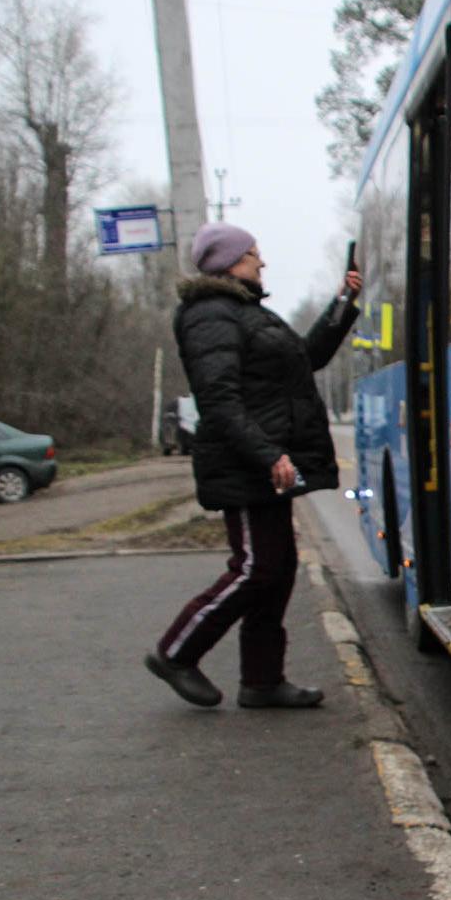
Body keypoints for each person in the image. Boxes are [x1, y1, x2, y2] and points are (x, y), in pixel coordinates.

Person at [144, 222, 361, 709]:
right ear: (229, 262)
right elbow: (219, 400)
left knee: (277, 569)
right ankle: (175, 652)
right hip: (245, 466)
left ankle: (262, 681)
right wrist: (268, 455)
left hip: (264, 466)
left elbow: (304, 361)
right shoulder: (209, 316)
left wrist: (342, 305)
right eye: (254, 254)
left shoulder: (244, 313)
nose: (261, 261)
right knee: (255, 568)